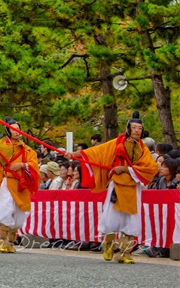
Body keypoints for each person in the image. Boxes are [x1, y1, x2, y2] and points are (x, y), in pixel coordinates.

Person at [67, 111, 159, 264]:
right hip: (117, 185)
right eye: (134, 127)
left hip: (133, 187)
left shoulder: (143, 149)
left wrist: (126, 169)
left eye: (140, 128)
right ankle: (109, 245)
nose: (137, 130)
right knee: (111, 219)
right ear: (128, 129)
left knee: (131, 220)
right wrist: (74, 154)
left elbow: (151, 168)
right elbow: (96, 151)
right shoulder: (117, 143)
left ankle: (125, 253)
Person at [0, 117, 40, 254]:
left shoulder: (26, 149)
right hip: (7, 182)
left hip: (21, 183)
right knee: (5, 208)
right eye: (14, 129)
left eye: (18, 129)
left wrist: (22, 165)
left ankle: (11, 241)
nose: (17, 132)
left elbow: (33, 164)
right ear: (7, 130)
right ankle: (3, 240)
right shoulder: (1, 146)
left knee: (20, 211)